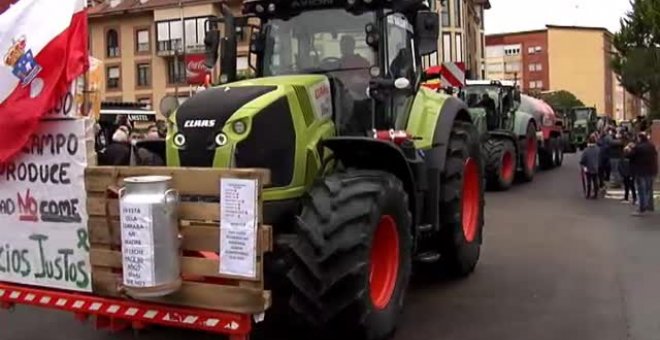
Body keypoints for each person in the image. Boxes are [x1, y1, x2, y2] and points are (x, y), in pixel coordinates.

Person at [626, 132, 658, 215]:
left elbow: (629, 156)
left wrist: (628, 149)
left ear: (640, 138)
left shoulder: (638, 148)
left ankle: (641, 208)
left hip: (640, 171)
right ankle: (648, 205)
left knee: (641, 190)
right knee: (648, 189)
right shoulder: (651, 146)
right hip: (651, 171)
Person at [580, 135, 601, 199]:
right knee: (595, 181)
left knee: (588, 181)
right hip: (596, 167)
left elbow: (583, 159)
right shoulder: (598, 149)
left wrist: (582, 163)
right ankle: (596, 194)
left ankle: (588, 194)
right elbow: (600, 158)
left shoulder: (586, 150)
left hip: (588, 168)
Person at [619, 133, 636, 204]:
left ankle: (629, 197)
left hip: (627, 173)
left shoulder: (626, 156)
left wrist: (622, 173)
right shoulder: (632, 156)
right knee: (630, 186)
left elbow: (621, 165)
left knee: (629, 186)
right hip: (630, 173)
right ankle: (632, 198)